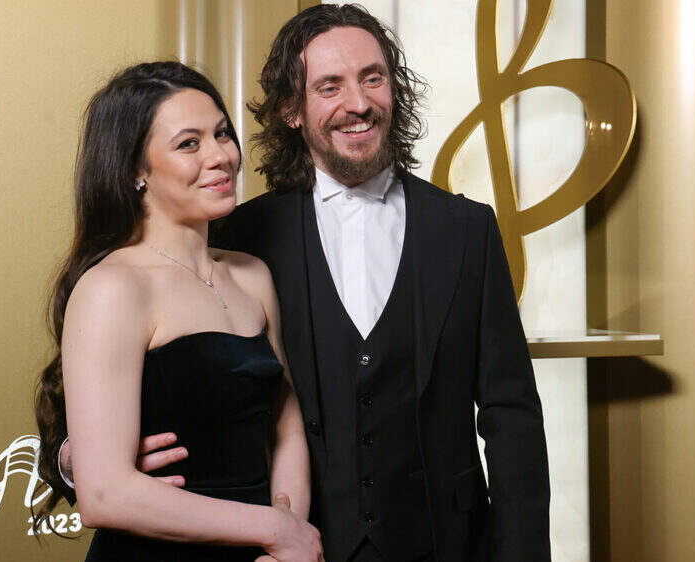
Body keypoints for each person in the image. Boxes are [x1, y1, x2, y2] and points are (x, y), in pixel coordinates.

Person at [61, 4, 551, 561]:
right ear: (291, 109)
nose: (358, 103)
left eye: (373, 78)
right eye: (329, 86)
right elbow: (109, 384)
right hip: (302, 544)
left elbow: (512, 414)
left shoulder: (466, 229)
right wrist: (79, 459)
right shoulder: (241, 231)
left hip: (442, 544)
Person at [32, 61, 323, 562]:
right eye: (189, 143)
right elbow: (103, 495)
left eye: (222, 134)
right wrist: (274, 528)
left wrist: (288, 538)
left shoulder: (252, 275)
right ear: (135, 171)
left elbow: (287, 429)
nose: (220, 156)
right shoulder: (112, 288)